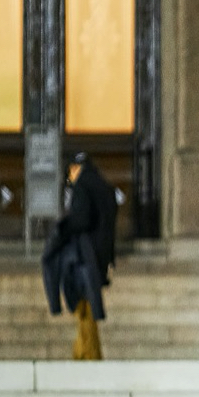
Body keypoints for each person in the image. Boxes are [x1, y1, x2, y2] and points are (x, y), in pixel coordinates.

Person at [43, 154, 117, 361]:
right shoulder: (104, 186)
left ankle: (89, 353)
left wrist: (62, 229)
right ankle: (83, 351)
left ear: (76, 168)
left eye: (70, 172)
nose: (70, 177)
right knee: (87, 305)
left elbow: (81, 219)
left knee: (84, 307)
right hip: (100, 254)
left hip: (84, 256)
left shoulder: (82, 186)